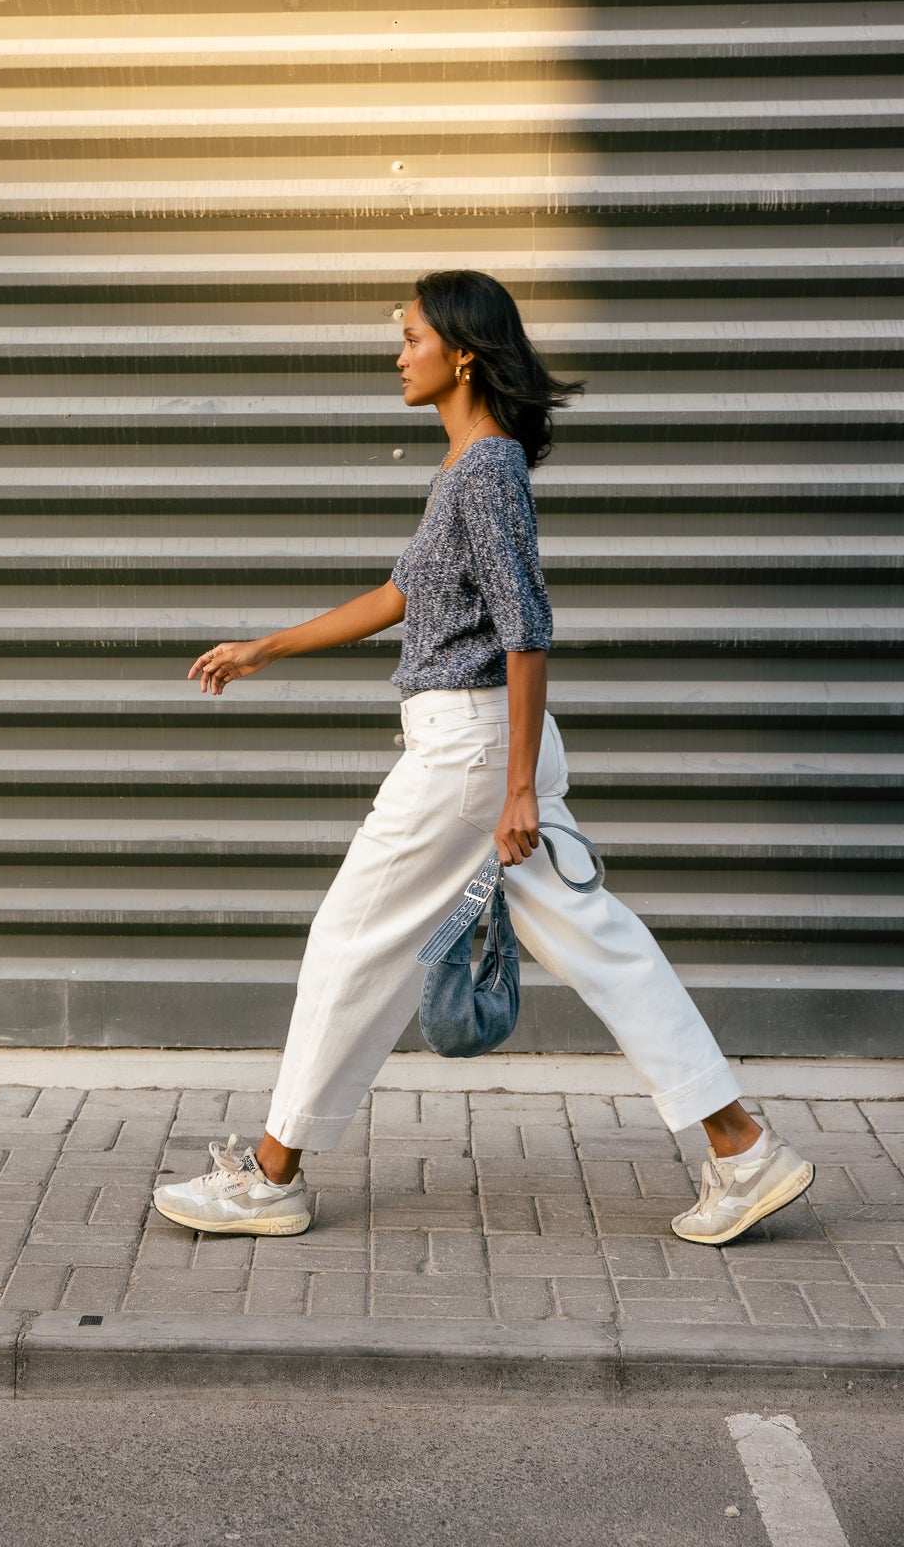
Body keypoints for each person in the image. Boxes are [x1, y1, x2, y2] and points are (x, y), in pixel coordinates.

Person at [152, 269, 815, 1249]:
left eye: (410, 335)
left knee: (349, 944)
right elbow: (398, 594)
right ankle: (742, 1145)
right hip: (483, 750)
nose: (397, 352)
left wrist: (510, 787)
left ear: (460, 349)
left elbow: (526, 630)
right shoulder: (466, 469)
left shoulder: (485, 471)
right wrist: (267, 645)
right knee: (602, 945)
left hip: (468, 754)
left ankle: (270, 1175)